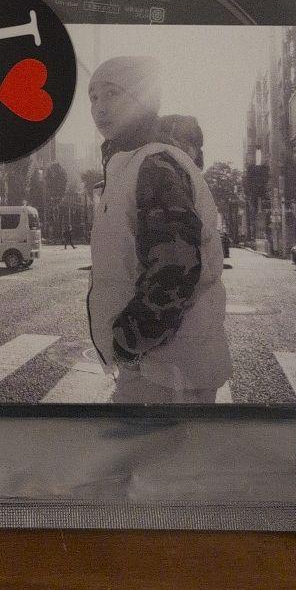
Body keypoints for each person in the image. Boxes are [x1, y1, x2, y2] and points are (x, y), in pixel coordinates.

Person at [87, 56, 231, 405]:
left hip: (166, 370)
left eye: (112, 93)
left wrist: (129, 340)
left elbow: (175, 267)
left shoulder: (154, 164)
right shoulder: (133, 162)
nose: (99, 107)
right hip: (162, 363)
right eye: (93, 96)